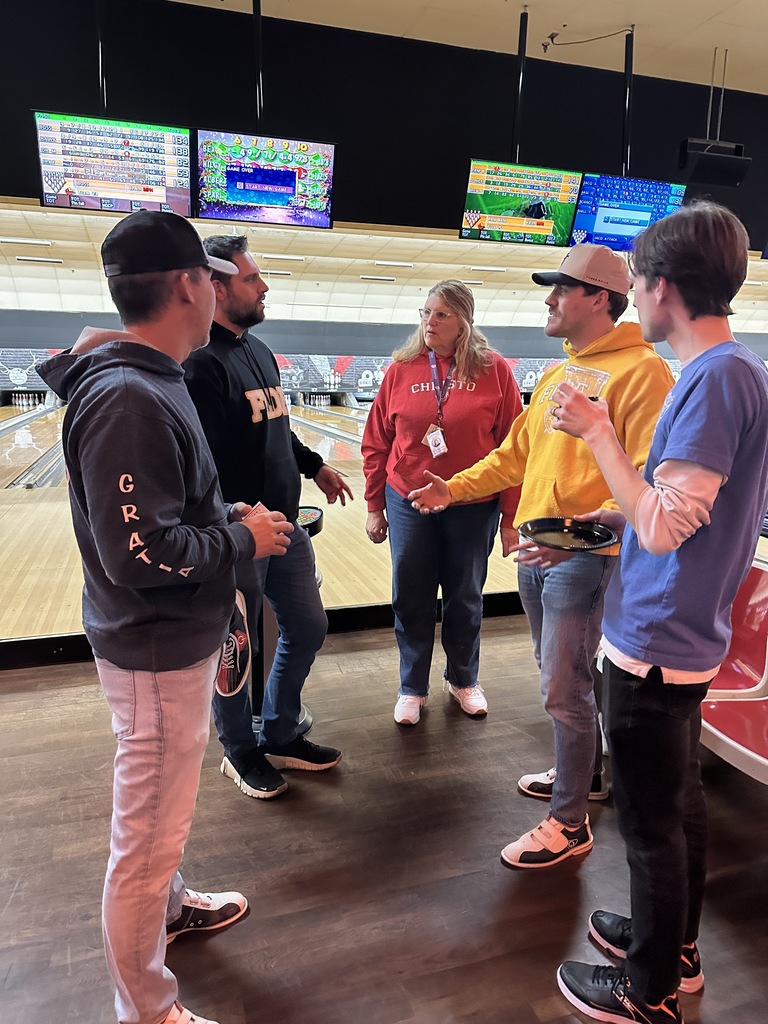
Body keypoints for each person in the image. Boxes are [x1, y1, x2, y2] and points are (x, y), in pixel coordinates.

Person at [38, 210, 295, 1024]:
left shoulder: (150, 377)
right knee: (145, 840)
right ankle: (147, 1010)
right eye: (215, 279)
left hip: (167, 641)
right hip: (155, 650)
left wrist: (226, 516)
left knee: (160, 820)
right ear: (190, 286)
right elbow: (138, 553)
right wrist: (242, 540)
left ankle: (170, 910)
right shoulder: (129, 398)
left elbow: (163, 512)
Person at [552, 202, 768, 1023]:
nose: (633, 296)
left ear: (664, 287)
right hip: (684, 631)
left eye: (637, 281)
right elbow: (684, 511)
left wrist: (598, 434)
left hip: (655, 637)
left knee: (651, 826)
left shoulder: (713, 379)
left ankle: (648, 994)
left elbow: (667, 525)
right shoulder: (738, 370)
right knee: (679, 804)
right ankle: (670, 943)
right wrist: (616, 515)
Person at [408, 246, 674, 865]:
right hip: (539, 554)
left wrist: (575, 540)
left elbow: (645, 479)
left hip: (583, 558)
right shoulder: (561, 374)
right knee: (562, 678)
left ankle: (569, 822)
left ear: (600, 299)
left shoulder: (643, 372)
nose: (549, 300)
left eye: (562, 289)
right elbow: (514, 456)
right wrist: (455, 488)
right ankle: (586, 772)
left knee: (564, 686)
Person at [184, 234, 351, 800]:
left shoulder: (258, 349)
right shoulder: (200, 365)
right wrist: (233, 523)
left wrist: (315, 465)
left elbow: (276, 429)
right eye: (252, 278)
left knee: (308, 626)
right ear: (216, 286)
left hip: (285, 525)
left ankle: (279, 732)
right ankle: (239, 750)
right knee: (236, 651)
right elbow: (200, 466)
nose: (264, 286)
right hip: (238, 537)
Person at [361, 280, 523, 724]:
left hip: (472, 503)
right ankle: (412, 687)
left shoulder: (495, 370)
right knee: (410, 596)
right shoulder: (401, 368)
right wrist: (374, 505)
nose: (429, 322)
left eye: (441, 315)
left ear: (463, 322)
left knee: (465, 596)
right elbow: (376, 441)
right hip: (408, 500)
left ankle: (464, 679)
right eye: (426, 313)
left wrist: (510, 518)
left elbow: (512, 450)